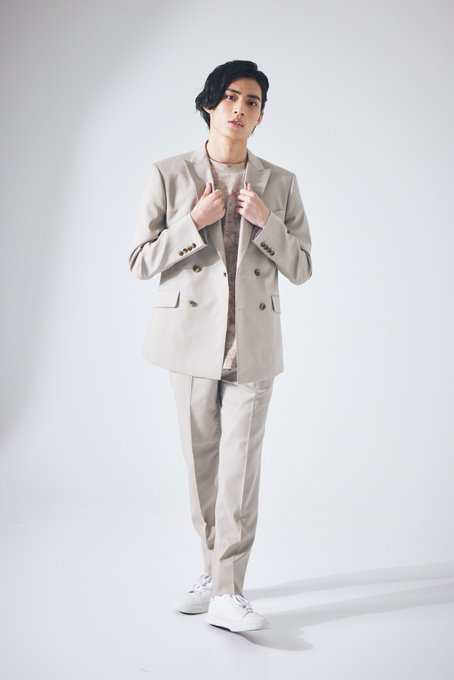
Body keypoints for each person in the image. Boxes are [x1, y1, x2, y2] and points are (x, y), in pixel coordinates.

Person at [128, 60, 312, 632]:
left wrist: (267, 222)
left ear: (260, 117)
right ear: (209, 104)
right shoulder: (168, 174)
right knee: (203, 469)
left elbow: (303, 267)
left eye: (252, 102)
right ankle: (212, 573)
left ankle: (229, 592)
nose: (240, 108)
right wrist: (192, 221)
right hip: (188, 344)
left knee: (239, 473)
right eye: (230, 97)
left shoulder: (280, 183)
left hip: (252, 345)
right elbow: (140, 261)